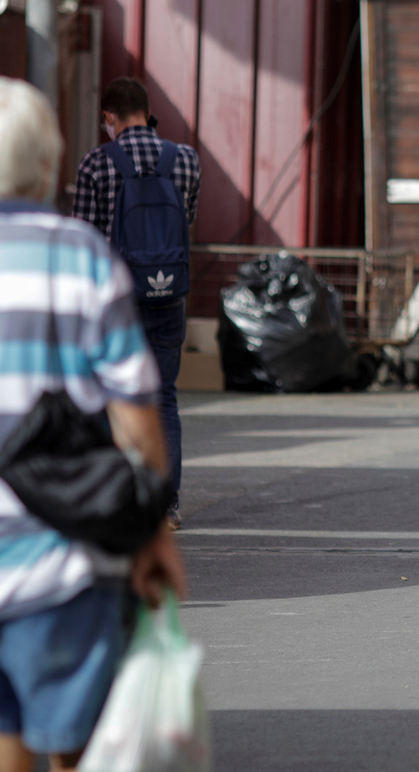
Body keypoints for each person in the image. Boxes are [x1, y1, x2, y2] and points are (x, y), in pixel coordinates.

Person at [0, 76, 187, 772]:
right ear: (48, 163)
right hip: (63, 551)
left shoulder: (93, 198)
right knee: (72, 738)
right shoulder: (78, 256)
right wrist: (151, 531)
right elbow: (136, 415)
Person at [72, 77, 201, 531]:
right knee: (163, 397)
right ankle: (166, 507)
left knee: (111, 398)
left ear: (108, 116)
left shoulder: (95, 163)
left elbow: (84, 240)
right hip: (169, 293)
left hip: (115, 302)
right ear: (148, 113)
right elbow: (186, 220)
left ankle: (119, 500)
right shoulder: (185, 159)